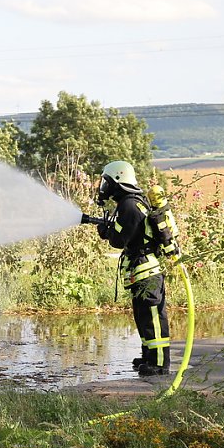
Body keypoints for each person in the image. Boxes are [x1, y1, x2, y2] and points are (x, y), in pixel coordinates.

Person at [95, 161, 171, 376]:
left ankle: (159, 364)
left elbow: (119, 240)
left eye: (107, 182)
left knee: (152, 317)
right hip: (141, 270)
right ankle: (149, 357)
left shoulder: (129, 205)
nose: (104, 187)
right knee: (142, 316)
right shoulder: (131, 203)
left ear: (117, 180)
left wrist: (107, 233)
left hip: (147, 271)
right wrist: (109, 229)